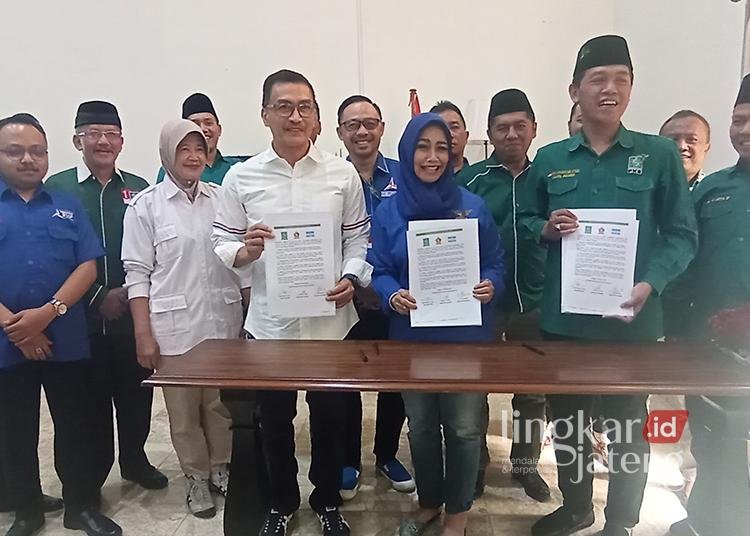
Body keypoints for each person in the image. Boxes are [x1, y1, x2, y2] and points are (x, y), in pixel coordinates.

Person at [520, 35, 698, 536]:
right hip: (565, 323)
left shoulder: (658, 155)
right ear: (574, 91)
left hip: (631, 323)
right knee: (568, 425)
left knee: (628, 430)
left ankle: (619, 521)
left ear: (632, 88)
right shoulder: (551, 158)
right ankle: (577, 507)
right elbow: (525, 218)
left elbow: (682, 233)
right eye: (598, 79)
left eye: (621, 79)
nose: (610, 89)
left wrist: (651, 282)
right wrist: (545, 228)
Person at [211, 69, 371, 536]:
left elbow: (358, 237)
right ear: (265, 114)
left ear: (317, 116)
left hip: (330, 324)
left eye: (304, 107)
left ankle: (326, 501)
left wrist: (351, 276)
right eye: (283, 106)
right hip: (271, 326)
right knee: (275, 423)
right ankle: (280, 502)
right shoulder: (242, 177)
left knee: (330, 421)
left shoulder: (341, 174)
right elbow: (221, 239)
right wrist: (245, 252)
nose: (295, 116)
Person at [370, 113, 505, 536]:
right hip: (412, 337)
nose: (433, 157)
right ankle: (429, 501)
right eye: (423, 147)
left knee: (464, 429)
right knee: (422, 427)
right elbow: (379, 269)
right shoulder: (389, 211)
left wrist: (491, 284)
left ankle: (457, 513)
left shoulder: (472, 206)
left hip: (466, 338)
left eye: (442, 147)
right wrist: (392, 294)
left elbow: (496, 262)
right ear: (407, 151)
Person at [0, 113, 121, 536]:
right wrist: (17, 327)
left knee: (75, 425)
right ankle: (26, 507)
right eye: (15, 151)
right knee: (14, 429)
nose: (28, 159)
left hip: (65, 338)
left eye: (37, 151)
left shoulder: (66, 204)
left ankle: (80, 506)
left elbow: (88, 265)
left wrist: (46, 314)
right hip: (6, 341)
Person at [123, 120, 244, 518]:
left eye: (199, 149)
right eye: (184, 149)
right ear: (166, 155)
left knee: (220, 406)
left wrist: (250, 316)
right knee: (184, 412)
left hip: (223, 321)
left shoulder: (222, 199)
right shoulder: (146, 206)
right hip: (174, 328)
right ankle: (196, 477)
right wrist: (143, 333)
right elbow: (137, 275)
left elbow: (242, 263)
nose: (193, 157)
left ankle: (221, 468)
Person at [45, 100, 167, 491]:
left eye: (111, 134)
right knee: (89, 403)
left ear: (122, 141)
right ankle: (91, 478)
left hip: (133, 314)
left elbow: (155, 249)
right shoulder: (57, 189)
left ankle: (135, 460)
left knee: (136, 394)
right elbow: (52, 256)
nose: (103, 141)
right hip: (78, 319)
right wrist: (98, 296)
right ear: (77, 140)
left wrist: (131, 294)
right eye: (93, 134)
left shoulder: (139, 188)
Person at [666, 74, 750, 536]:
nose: (744, 129)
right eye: (738, 120)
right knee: (712, 442)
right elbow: (685, 266)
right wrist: (677, 330)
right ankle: (703, 522)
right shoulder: (711, 190)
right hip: (712, 347)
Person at [457, 89, 549, 502]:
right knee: (475, 390)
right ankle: (474, 466)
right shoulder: (470, 181)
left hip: (535, 300)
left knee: (532, 393)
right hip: (482, 304)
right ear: (490, 133)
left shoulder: (548, 178)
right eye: (502, 127)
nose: (511, 134)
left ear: (534, 129)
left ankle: (526, 467)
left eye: (519, 126)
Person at [335, 94, 413, 500]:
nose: (362, 131)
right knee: (345, 384)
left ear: (382, 127)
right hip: (345, 298)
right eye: (352, 125)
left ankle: (386, 454)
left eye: (370, 123)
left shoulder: (405, 175)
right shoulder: (330, 178)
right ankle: (348, 459)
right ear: (340, 133)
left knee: (394, 382)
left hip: (394, 297)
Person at [157, 93, 246, 184]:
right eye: (195, 124)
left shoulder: (239, 168)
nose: (203, 129)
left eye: (208, 123)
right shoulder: (170, 171)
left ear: (219, 129)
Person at [659, 110, 711, 190]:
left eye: (692, 140)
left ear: (706, 148)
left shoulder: (716, 191)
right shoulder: (645, 193)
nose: (682, 146)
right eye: (673, 139)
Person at [430, 101, 470, 173]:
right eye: (442, 128)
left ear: (466, 136)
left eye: (454, 127)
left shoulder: (477, 177)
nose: (449, 134)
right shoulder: (421, 177)